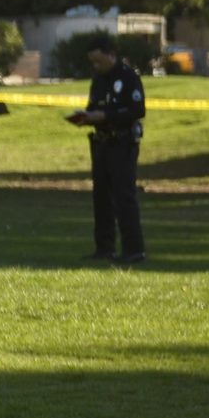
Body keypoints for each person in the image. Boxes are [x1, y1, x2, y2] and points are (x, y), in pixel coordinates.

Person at [68, 41, 147, 263]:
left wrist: (106, 116)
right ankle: (105, 248)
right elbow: (94, 106)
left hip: (123, 143)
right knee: (101, 197)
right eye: (92, 62)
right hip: (101, 143)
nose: (95, 66)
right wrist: (85, 116)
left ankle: (134, 250)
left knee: (124, 196)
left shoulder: (128, 77)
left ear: (111, 55)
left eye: (99, 61)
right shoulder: (98, 80)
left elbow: (137, 110)